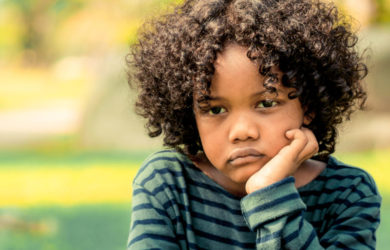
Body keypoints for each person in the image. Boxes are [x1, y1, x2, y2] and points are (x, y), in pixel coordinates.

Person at [126, 0, 381, 249]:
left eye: (266, 104)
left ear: (309, 106)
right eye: (215, 109)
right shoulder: (168, 183)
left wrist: (270, 195)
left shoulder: (349, 193)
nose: (242, 132)